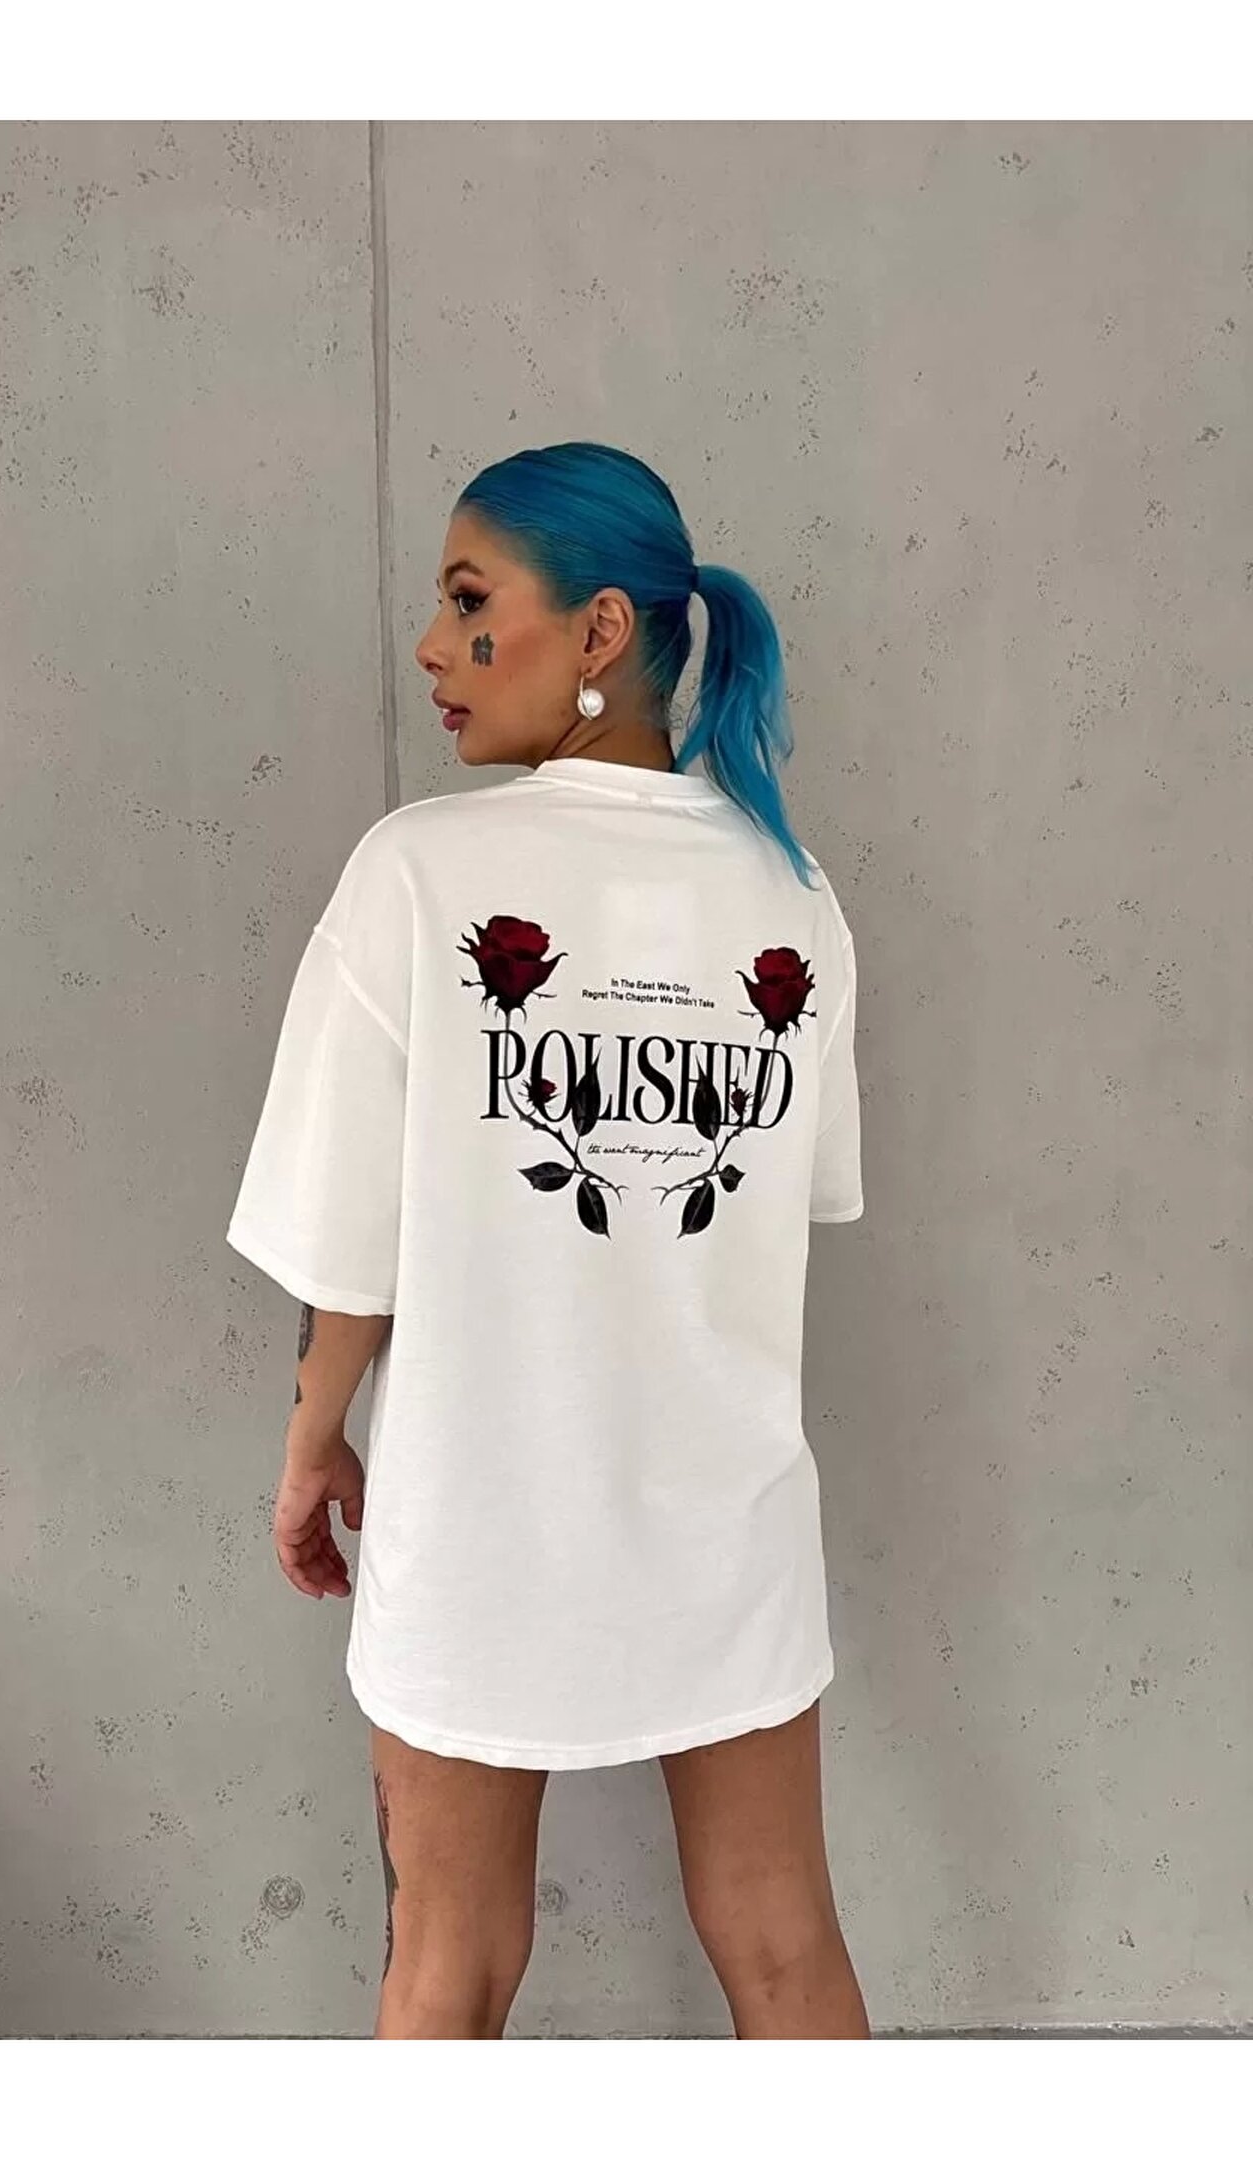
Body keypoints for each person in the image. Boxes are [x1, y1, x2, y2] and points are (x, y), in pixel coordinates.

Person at [226, 441, 870, 2040]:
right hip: (724, 1517)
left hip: (478, 1521)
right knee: (784, 1949)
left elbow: (352, 1252)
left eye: (469, 602)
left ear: (599, 629)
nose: (431, 647)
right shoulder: (793, 897)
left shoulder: (419, 871)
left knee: (447, 1967)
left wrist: (312, 1449)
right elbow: (780, 1208)